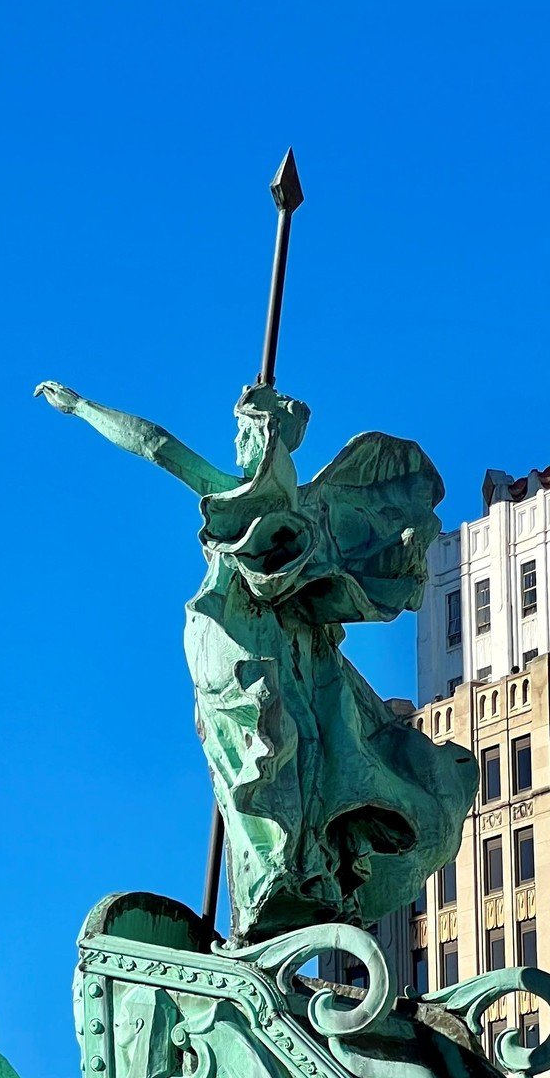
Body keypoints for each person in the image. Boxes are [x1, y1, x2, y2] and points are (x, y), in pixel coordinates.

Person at [37, 379, 476, 942]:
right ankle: (272, 878)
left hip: (290, 639)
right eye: (245, 430)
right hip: (234, 633)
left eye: (253, 429)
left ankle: (305, 876)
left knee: (316, 746)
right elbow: (154, 445)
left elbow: (158, 444)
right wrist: (82, 407)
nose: (246, 441)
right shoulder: (240, 490)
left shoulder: (307, 503)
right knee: (267, 745)